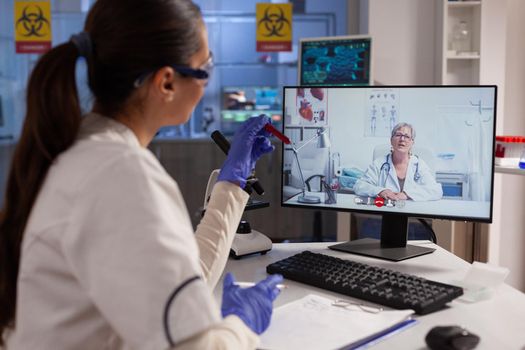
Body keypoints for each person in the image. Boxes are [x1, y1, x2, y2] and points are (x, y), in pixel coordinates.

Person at [0, 0, 283, 348]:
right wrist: (242, 324)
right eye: (206, 65)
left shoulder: (81, 149)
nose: (209, 76)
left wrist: (232, 182)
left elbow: (171, 281)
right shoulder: (121, 175)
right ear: (166, 82)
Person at [353, 122, 443, 201]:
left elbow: (436, 191)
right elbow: (359, 186)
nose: (402, 139)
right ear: (391, 140)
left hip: (412, 213)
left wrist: (407, 194)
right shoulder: (379, 163)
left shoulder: (419, 165)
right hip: (385, 211)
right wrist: (380, 191)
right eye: (398, 135)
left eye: (407, 136)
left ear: (412, 142)